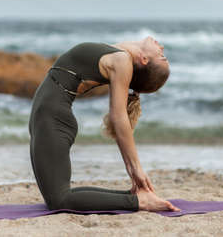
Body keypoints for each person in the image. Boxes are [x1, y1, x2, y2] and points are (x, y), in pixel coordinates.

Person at [28, 36, 180, 212]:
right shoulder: (120, 54)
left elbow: (119, 116)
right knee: (59, 196)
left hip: (53, 119)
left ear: (144, 60)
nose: (161, 47)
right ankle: (136, 197)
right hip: (46, 117)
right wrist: (132, 168)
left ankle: (140, 202)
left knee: (59, 200)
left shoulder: (122, 60)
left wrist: (135, 167)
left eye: (162, 56)